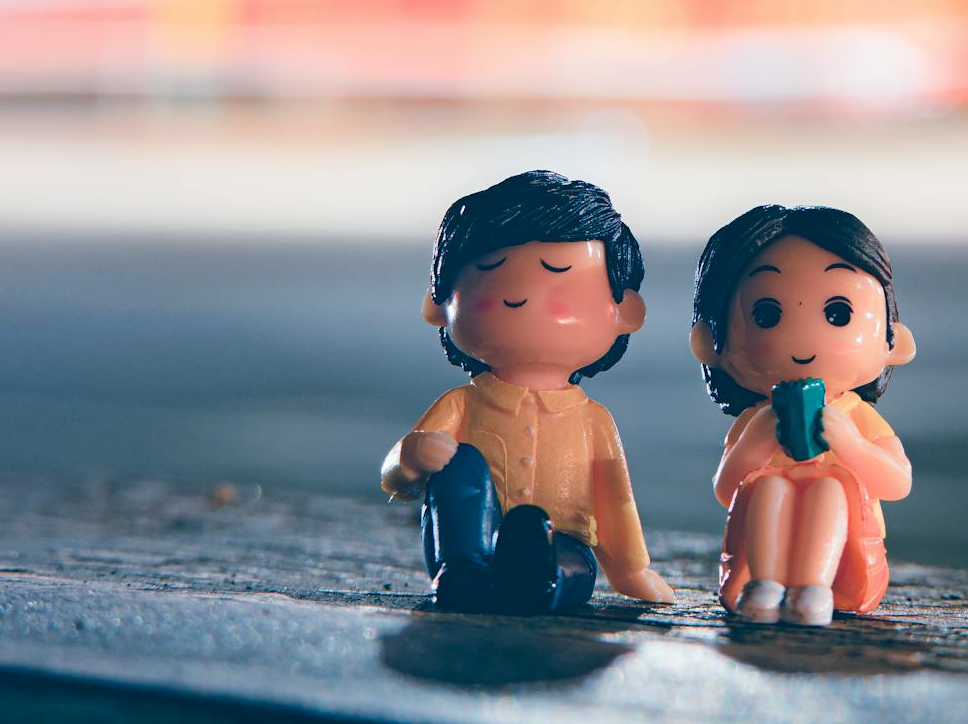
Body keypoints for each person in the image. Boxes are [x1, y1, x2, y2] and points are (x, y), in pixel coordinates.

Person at [380, 170, 675, 613]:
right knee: (460, 464)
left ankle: (541, 577)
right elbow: (397, 478)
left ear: (625, 311)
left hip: (566, 542)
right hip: (466, 545)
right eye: (492, 273)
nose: (519, 296)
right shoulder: (461, 405)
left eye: (558, 275)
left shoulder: (593, 422)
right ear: (439, 304)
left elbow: (616, 499)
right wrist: (411, 457)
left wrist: (631, 570)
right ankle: (462, 572)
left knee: (561, 567)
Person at [689, 204, 917, 625]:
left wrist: (849, 443)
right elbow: (727, 490)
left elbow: (897, 482)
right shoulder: (756, 419)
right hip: (759, 562)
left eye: (838, 314)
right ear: (710, 343)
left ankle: (813, 586)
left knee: (830, 489)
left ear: (894, 341)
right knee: (769, 488)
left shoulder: (857, 416)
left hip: (848, 561)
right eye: (767, 315)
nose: (804, 341)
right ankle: (767, 583)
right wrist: (754, 445)